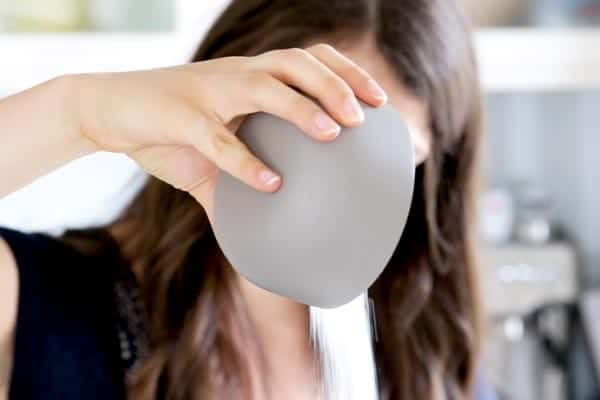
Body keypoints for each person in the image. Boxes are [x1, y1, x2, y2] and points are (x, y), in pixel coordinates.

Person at [0, 0, 483, 399]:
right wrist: (81, 113)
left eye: (398, 161)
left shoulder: (428, 362)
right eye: (317, 131)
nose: (346, 191)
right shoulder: (58, 310)